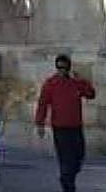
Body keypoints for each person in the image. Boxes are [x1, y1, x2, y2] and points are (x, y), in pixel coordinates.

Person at [35, 54, 96, 192]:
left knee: (79, 156)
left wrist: (81, 80)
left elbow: (91, 94)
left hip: (76, 126)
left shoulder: (76, 82)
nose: (61, 70)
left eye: (63, 67)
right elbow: (43, 103)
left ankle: (67, 177)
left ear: (68, 67)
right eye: (58, 67)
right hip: (60, 127)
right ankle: (68, 184)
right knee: (66, 158)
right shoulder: (50, 83)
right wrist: (40, 123)